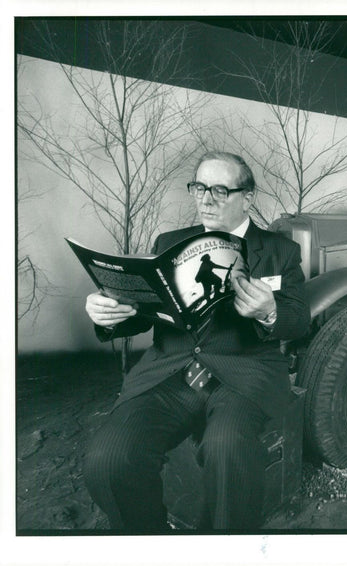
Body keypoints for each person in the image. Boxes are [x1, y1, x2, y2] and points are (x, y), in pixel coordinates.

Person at [83, 151, 310, 531]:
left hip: (243, 375)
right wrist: (110, 316)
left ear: (247, 197)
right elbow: (145, 311)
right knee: (107, 459)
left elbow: (300, 319)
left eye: (220, 190)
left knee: (227, 450)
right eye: (199, 187)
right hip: (169, 374)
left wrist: (270, 310)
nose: (206, 199)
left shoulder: (279, 250)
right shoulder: (169, 242)